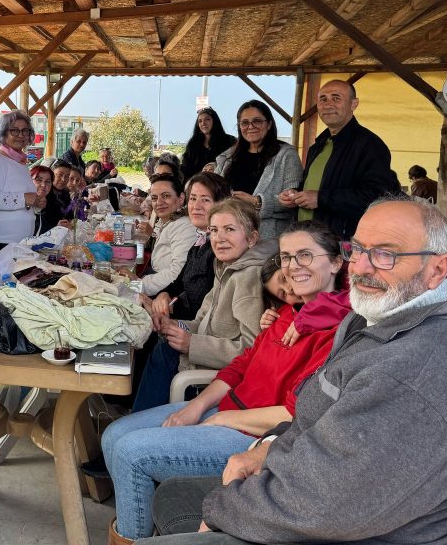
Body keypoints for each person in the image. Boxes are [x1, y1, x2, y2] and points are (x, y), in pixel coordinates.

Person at [143, 199, 447, 545]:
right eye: (358, 250)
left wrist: (222, 508)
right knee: (172, 495)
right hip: (313, 486)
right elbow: (313, 418)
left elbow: (324, 505)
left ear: (437, 269)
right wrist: (265, 450)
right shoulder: (377, 324)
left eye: (385, 254)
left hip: (348, 529)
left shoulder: (412, 369)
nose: (362, 268)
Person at [102, 220, 343, 543]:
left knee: (131, 453)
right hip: (227, 411)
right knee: (114, 435)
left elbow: (294, 414)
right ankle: (145, 525)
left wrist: (223, 418)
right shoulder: (289, 311)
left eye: (305, 255)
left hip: (254, 436)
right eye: (287, 257)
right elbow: (240, 366)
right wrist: (196, 407)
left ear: (336, 263)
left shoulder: (336, 333)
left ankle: (133, 538)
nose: (293, 266)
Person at [132, 198, 272, 412]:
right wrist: (173, 326)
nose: (219, 238)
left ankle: (140, 422)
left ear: (252, 238)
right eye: (214, 230)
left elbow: (252, 351)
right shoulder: (225, 266)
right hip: (201, 363)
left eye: (229, 229)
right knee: (159, 341)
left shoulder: (249, 277)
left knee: (163, 351)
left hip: (213, 383)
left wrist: (192, 344)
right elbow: (201, 322)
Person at [278, 79, 398, 240]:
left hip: (341, 242)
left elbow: (377, 197)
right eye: (323, 99)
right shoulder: (318, 146)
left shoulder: (370, 145)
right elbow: (318, 186)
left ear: (354, 104)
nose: (328, 104)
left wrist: (320, 199)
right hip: (308, 237)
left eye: (336, 98)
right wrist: (295, 195)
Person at [149, 173, 232, 322]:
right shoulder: (200, 243)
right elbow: (178, 283)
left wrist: (166, 312)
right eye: (193, 198)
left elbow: (202, 312)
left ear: (222, 204)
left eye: (205, 200)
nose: (196, 206)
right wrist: (164, 294)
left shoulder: (221, 251)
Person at [215, 100, 303, 240]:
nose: (250, 126)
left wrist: (257, 202)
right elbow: (213, 191)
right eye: (244, 123)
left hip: (268, 239)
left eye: (257, 121)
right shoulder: (228, 157)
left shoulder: (286, 155)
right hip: (228, 235)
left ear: (269, 124)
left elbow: (292, 200)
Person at [128, 174, 199, 298]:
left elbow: (176, 273)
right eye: (154, 198)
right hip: (154, 280)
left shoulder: (185, 227)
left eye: (166, 196)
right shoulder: (167, 220)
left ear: (181, 198)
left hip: (165, 293)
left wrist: (136, 285)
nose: (159, 202)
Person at [0, 110, 37, 254]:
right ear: (3, 133)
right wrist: (24, 198)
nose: (21, 135)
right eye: (14, 130)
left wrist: (35, 202)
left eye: (25, 131)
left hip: (19, 242)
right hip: (1, 242)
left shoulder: (19, 161)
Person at [180, 107, 235, 182]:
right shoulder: (193, 144)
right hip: (197, 185)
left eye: (207, 119)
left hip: (221, 185)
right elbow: (186, 169)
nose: (203, 123)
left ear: (215, 121)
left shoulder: (229, 141)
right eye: (200, 121)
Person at [30, 165, 64, 235]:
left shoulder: (49, 205)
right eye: (39, 180)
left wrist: (57, 228)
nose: (43, 185)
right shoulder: (20, 203)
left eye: (48, 181)